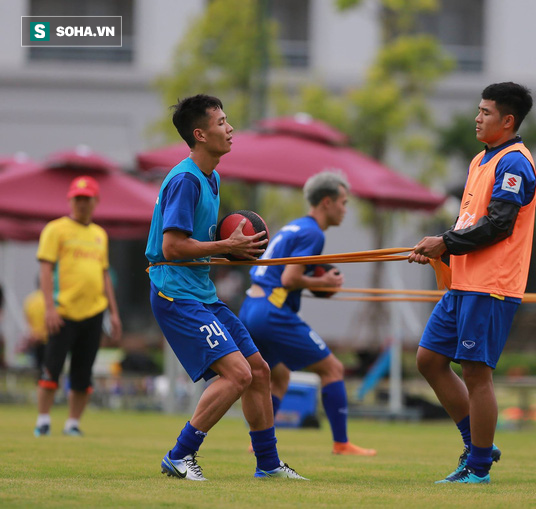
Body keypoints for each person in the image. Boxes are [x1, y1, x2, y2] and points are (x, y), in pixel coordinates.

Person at [146, 94, 307, 481]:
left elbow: (195, 246)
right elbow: (171, 247)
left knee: (259, 370)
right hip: (175, 294)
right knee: (237, 374)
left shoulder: (211, 177)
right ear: (199, 134)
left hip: (200, 292)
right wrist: (229, 247)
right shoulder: (185, 179)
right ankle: (179, 455)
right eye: (221, 123)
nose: (230, 128)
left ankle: (268, 464)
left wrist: (235, 253)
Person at [408, 82, 536, 484]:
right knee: (429, 360)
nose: (477, 118)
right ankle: (479, 443)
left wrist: (443, 241)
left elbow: (498, 225)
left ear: (507, 120)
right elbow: (470, 222)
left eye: (485, 112)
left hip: (491, 285)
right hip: (464, 283)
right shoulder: (481, 160)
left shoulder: (515, 163)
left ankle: (478, 468)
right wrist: (440, 248)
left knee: (477, 374)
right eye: (478, 111)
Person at [239, 171, 376, 456]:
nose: (345, 209)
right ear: (326, 202)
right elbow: (289, 279)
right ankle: (341, 443)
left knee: (278, 378)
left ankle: (258, 442)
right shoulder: (313, 233)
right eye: (343, 202)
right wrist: (322, 283)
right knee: (333, 369)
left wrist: (312, 284)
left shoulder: (295, 227)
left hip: (251, 306)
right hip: (271, 310)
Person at [34, 175, 122, 437]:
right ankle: (43, 420)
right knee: (52, 367)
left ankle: (72, 423)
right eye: (78, 199)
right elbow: (46, 270)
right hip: (63, 311)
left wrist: (114, 313)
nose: (82, 203)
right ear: (70, 200)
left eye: (87, 199)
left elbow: (105, 274)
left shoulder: (99, 234)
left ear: (96, 201)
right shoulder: (55, 229)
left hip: (94, 311)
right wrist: (49, 307)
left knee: (83, 372)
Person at [23, 285, 47, 373]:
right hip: (48, 339)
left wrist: (34, 334)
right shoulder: (50, 299)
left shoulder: (30, 299)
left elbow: (28, 319)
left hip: (35, 339)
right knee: (49, 370)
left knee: (38, 368)